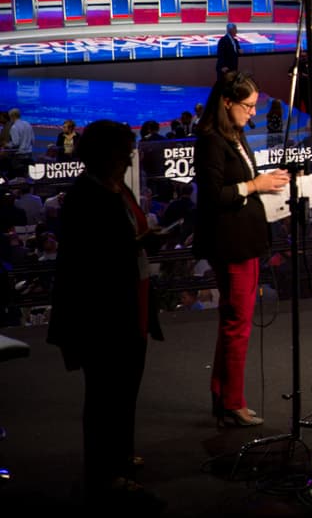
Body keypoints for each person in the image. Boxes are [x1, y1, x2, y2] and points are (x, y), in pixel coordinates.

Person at [46, 119, 165, 510]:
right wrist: (135, 244)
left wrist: (142, 242)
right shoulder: (85, 196)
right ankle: (105, 473)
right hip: (103, 313)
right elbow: (88, 260)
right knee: (104, 395)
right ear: (104, 155)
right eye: (122, 152)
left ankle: (121, 455)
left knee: (125, 389)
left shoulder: (117, 188)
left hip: (133, 302)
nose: (127, 158)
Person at [193, 72, 290, 427]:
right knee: (238, 325)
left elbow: (240, 186)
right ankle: (233, 401)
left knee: (234, 323)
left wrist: (265, 182)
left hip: (245, 240)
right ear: (227, 103)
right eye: (248, 106)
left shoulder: (234, 135)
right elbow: (215, 195)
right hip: (231, 244)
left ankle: (224, 395)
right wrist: (254, 184)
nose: (253, 113)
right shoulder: (211, 141)